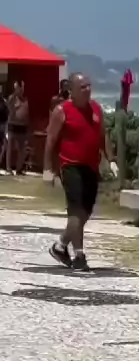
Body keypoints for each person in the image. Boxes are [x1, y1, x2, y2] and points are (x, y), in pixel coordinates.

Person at [43, 73, 118, 274]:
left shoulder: (96, 109)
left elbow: (102, 136)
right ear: (72, 91)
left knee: (85, 212)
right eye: (83, 87)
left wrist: (111, 159)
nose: (87, 90)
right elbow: (50, 141)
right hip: (70, 166)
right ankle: (79, 255)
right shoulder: (62, 111)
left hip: (91, 167)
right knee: (76, 211)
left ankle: (60, 246)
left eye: (89, 86)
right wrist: (48, 169)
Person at [6, 81, 29, 175]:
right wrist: (15, 94)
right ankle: (8, 168)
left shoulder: (25, 99)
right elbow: (9, 106)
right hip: (13, 125)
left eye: (23, 87)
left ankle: (19, 168)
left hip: (23, 126)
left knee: (22, 148)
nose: (22, 89)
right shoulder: (12, 98)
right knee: (10, 147)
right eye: (21, 87)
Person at [0, 85, 9, 168]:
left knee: (4, 144)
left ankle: (0, 161)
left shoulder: (5, 102)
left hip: (3, 124)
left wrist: (7, 126)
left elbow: (8, 114)